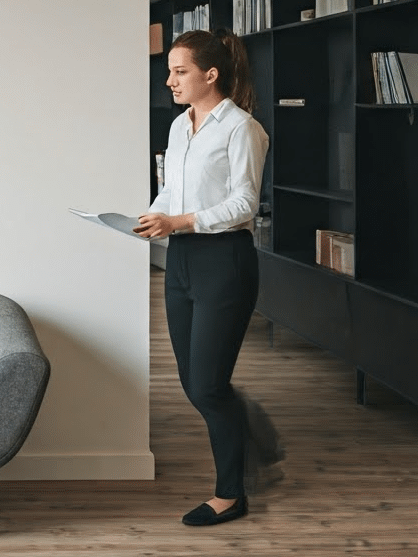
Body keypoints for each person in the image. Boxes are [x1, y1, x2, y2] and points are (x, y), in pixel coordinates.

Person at [134, 27, 278, 526]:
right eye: (169, 71)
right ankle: (250, 430)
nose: (169, 81)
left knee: (209, 385)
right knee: (196, 384)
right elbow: (174, 191)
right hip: (182, 262)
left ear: (209, 75)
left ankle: (231, 494)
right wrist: (152, 219)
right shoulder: (179, 126)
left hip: (225, 263)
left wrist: (179, 222)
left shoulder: (243, 129)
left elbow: (244, 204)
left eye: (180, 71)